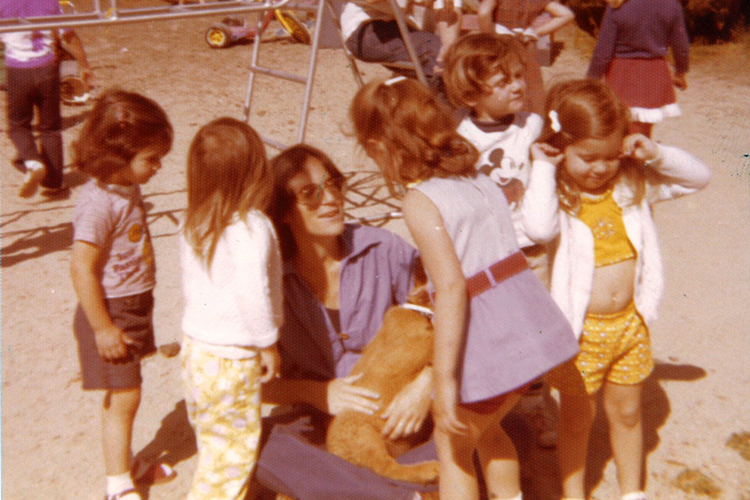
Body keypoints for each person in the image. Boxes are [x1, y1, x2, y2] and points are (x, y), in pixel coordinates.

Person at [350, 76, 578, 500]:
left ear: (381, 146)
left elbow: (453, 287)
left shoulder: (420, 201)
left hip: (488, 334)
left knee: (453, 444)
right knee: (489, 431)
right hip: (528, 320)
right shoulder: (478, 180)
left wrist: (446, 379)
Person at [526, 79, 711, 500]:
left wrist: (657, 152)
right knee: (576, 422)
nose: (599, 167)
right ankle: (575, 494)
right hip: (580, 334)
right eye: (586, 157)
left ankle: (633, 492)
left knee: (627, 414)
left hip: (630, 325)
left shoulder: (630, 187)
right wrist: (541, 166)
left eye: (610, 156)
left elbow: (698, 178)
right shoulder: (558, 193)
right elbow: (537, 227)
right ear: (560, 147)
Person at [255, 144, 437, 500]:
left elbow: (451, 318)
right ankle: (401, 494)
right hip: (322, 418)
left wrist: (426, 386)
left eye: (335, 184)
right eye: (310, 194)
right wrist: (318, 394)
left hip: (403, 411)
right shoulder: (268, 280)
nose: (332, 199)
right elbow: (248, 384)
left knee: (479, 427)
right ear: (284, 211)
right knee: (256, 444)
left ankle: (350, 488)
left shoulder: (386, 249)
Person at [442, 31, 558, 449]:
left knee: (534, 332)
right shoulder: (458, 135)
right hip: (482, 254)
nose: (517, 85)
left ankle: (536, 402)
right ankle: (492, 402)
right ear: (472, 93)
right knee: (490, 331)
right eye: (503, 80)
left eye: (518, 75)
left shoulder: (532, 127)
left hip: (527, 250)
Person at [70, 89, 173, 500]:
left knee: (127, 390)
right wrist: (103, 327)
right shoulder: (97, 204)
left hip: (133, 305)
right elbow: (82, 266)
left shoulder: (125, 188)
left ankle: (127, 462)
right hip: (112, 312)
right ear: (118, 156)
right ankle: (117, 483)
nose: (158, 166)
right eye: (151, 158)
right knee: (126, 394)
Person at [179, 118, 283, 500]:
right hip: (234, 356)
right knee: (232, 456)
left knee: (215, 443)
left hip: (198, 351)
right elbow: (254, 294)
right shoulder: (250, 228)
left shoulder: (195, 219)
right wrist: (267, 343)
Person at [1, 0, 93, 198]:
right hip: (47, 69)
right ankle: (53, 182)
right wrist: (85, 65)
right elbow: (68, 35)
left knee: (18, 125)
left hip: (18, 70)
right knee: (50, 128)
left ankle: (32, 161)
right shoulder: (48, 1)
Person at [586, 0, 690, 138]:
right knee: (644, 130)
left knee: (620, 129)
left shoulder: (618, 5)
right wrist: (680, 72)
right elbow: (681, 45)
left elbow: (603, 50)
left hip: (621, 73)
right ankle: (640, 155)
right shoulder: (671, 5)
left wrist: (592, 78)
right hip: (655, 72)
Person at [340, 0, 463, 92]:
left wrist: (448, 49)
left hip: (407, 30)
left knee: (455, 59)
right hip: (366, 29)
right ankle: (428, 120)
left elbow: (449, 10)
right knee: (438, 61)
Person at [475, 0, 573, 114]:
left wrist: (490, 40)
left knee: (499, 86)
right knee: (527, 89)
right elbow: (567, 15)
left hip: (499, 45)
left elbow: (483, 13)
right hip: (524, 45)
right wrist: (535, 33)